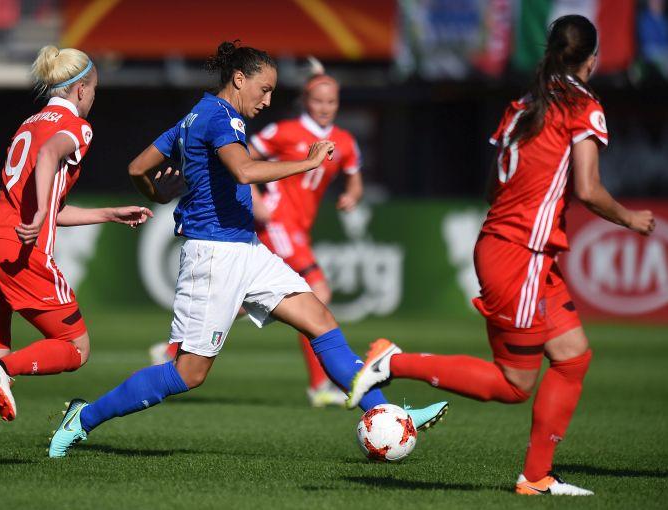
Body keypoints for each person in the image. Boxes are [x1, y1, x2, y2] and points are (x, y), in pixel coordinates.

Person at [49, 41, 448, 459]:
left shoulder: (196, 115)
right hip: (214, 255)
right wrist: (308, 163)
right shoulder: (223, 117)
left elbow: (137, 168)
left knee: (320, 320)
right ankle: (83, 417)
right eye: (264, 89)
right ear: (239, 79)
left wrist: (157, 192)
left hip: (246, 249)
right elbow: (243, 170)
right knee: (188, 374)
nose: (268, 99)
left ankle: (387, 412)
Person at [347, 15, 656, 496]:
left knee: (572, 357)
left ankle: (536, 477)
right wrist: (632, 219)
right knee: (513, 384)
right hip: (522, 255)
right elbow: (589, 189)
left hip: (513, 247)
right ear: (591, 59)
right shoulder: (581, 106)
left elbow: (495, 183)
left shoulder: (524, 105)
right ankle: (394, 362)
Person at [0, 45, 152, 468]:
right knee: (75, 348)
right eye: (93, 90)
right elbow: (49, 157)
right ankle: (3, 372)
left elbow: (43, 195)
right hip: (16, 251)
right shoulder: (75, 125)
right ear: (79, 90)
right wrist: (40, 213)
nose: (94, 98)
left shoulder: (30, 121)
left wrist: (107, 214)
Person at [150, 58, 362, 408]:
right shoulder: (284, 131)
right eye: (319, 100)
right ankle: (320, 386)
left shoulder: (345, 140)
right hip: (278, 223)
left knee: (251, 296)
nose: (325, 108)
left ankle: (175, 347)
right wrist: (258, 198)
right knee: (318, 292)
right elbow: (244, 161)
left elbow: (355, 177)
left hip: (299, 227)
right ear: (307, 101)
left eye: (332, 102)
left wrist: (352, 195)